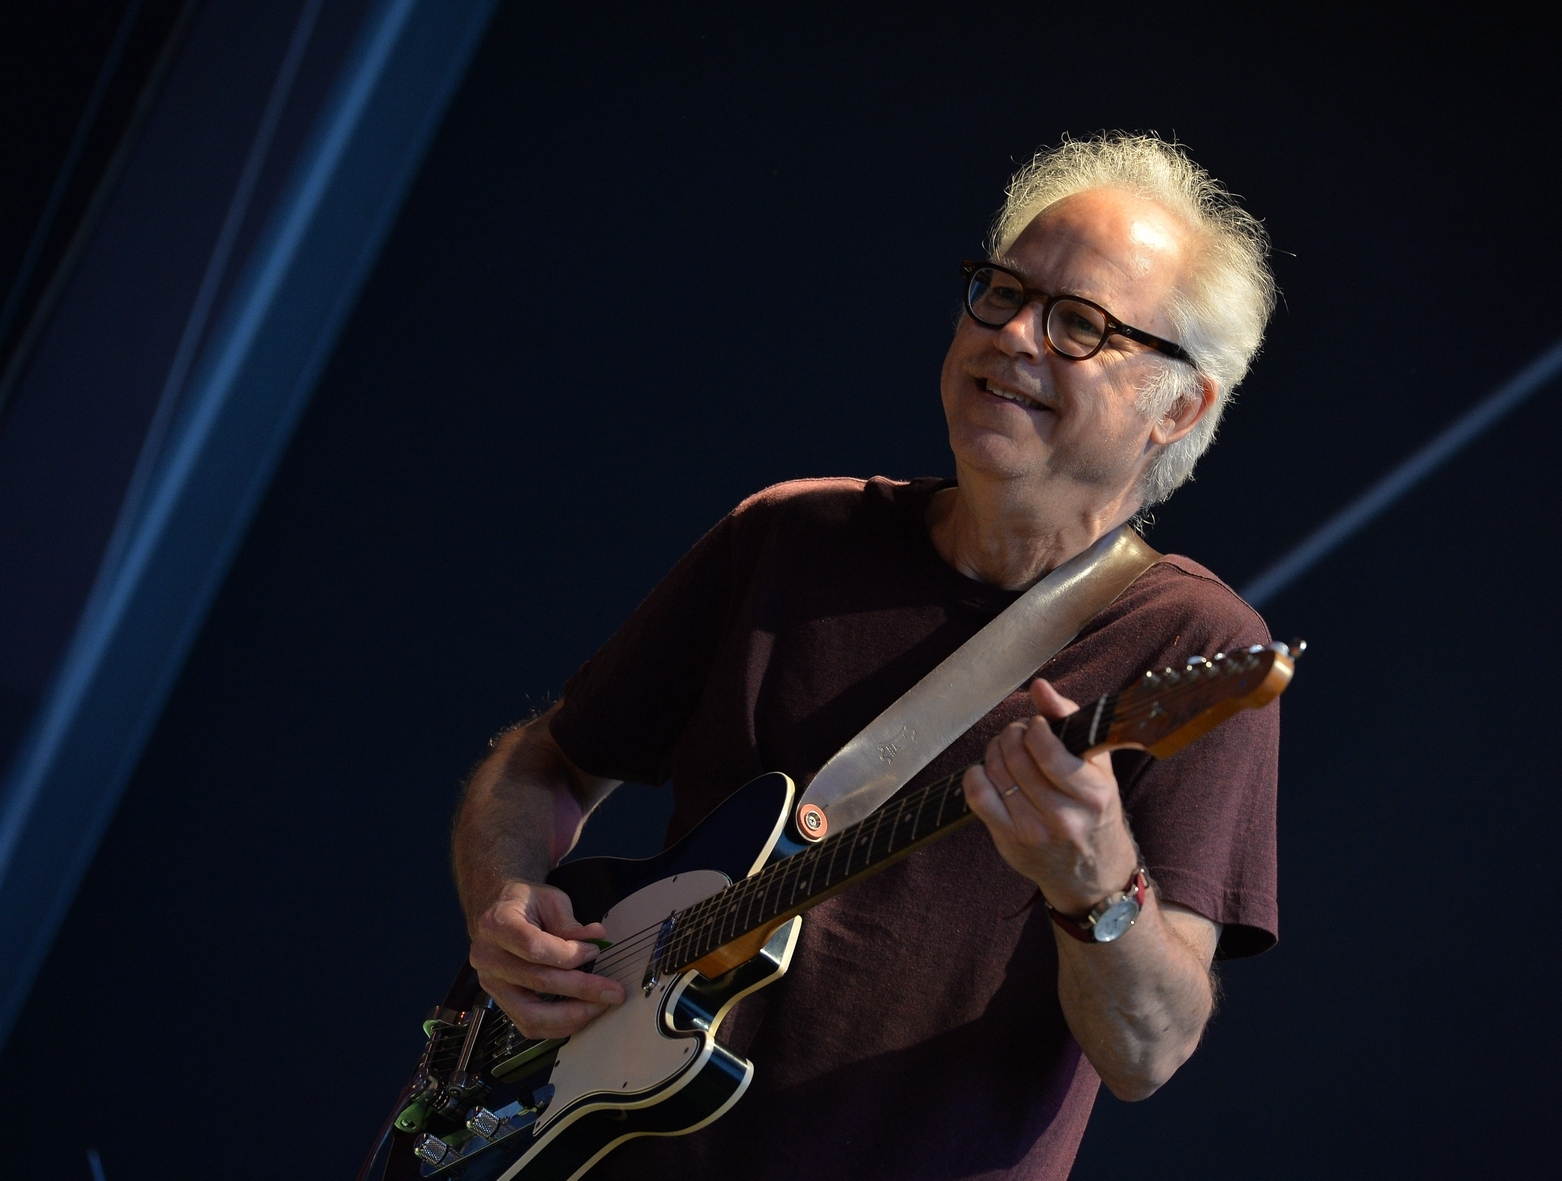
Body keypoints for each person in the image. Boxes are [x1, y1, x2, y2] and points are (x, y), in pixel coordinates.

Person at [451, 133, 1280, 1179]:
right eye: (1001, 291)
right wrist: (506, 898)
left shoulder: (1194, 644)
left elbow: (1147, 1049)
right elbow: (544, 762)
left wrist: (1095, 880)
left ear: (1181, 405)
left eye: (1079, 324)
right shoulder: (789, 534)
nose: (1015, 334)